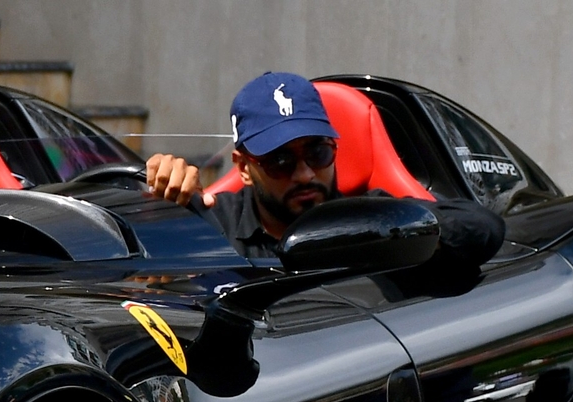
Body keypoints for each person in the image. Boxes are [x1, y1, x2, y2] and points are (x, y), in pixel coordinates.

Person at [146, 71, 506, 271]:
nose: (304, 175)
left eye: (317, 153)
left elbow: (484, 227)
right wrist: (157, 200)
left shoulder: (370, 218)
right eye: (280, 160)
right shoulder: (210, 226)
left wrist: (400, 235)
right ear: (243, 168)